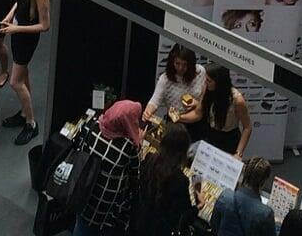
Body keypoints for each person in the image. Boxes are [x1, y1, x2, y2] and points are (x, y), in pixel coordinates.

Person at [74, 100, 143, 236]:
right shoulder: (127, 147)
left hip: (84, 192)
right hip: (107, 203)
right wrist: (138, 143)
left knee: (82, 227)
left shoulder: (92, 125)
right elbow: (136, 174)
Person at [0, 0, 50, 146]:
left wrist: (16, 28)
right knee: (23, 73)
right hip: (18, 36)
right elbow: (18, 2)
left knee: (15, 82)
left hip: (26, 40)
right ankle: (23, 113)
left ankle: (31, 123)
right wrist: (10, 16)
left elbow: (45, 26)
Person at [131, 122, 194, 236]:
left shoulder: (149, 159)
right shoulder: (181, 181)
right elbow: (184, 214)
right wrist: (199, 206)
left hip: (138, 221)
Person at [210, 156, 278, 236]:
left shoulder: (225, 196)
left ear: (245, 173)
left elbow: (214, 225)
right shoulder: (266, 214)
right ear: (263, 181)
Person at [143, 43, 206, 123]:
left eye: (185, 64)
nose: (180, 68)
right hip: (175, 122)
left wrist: (197, 103)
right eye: (177, 63)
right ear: (172, 62)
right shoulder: (165, 79)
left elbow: (203, 99)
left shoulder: (200, 72)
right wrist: (148, 112)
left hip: (197, 118)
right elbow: (154, 101)